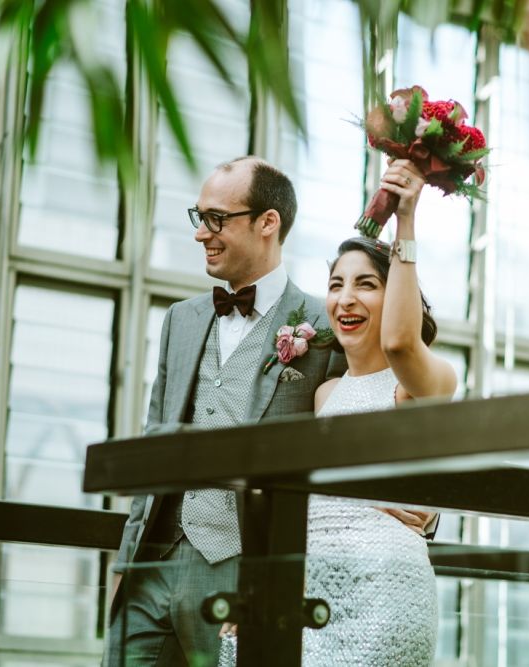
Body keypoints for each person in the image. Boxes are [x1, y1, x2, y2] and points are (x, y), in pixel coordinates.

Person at [105, 156, 344, 667]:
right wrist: (126, 564)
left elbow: (353, 441)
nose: (201, 234)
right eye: (200, 217)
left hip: (242, 569)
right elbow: (155, 443)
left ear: (267, 223)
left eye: (216, 219)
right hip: (153, 564)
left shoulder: (326, 327)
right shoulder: (182, 319)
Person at [217, 159, 456, 667]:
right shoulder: (324, 394)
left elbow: (399, 343)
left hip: (383, 589)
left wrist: (406, 222)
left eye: (367, 284)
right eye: (336, 284)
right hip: (306, 593)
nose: (346, 298)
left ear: (398, 297)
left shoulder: (423, 382)